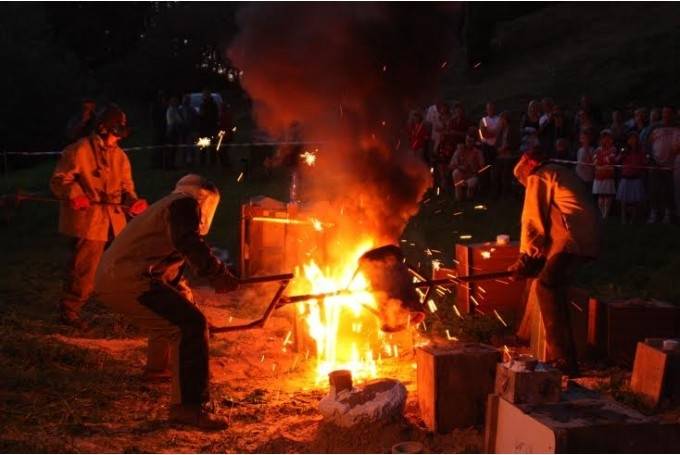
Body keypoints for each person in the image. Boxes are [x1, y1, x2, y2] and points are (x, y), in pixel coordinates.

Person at [95, 174, 239, 430]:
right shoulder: (185, 204)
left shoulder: (167, 208)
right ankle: (190, 408)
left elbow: (173, 275)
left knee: (179, 315)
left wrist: (191, 299)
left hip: (116, 275)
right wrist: (218, 274)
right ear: (206, 199)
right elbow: (190, 243)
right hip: (129, 278)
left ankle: (158, 370)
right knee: (190, 326)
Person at [50, 105, 148, 330]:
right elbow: (59, 180)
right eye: (116, 132)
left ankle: (122, 305)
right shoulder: (79, 150)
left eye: (120, 133)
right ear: (103, 129)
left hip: (115, 221)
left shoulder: (121, 157)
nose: (118, 138)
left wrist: (133, 202)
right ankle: (70, 310)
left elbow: (127, 189)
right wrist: (76, 194)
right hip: (90, 220)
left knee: (122, 265)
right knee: (85, 268)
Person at [509, 145, 601, 375]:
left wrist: (525, 257)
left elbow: (532, 221)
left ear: (528, 167)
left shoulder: (539, 176)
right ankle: (522, 335)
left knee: (547, 285)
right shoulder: (559, 173)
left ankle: (564, 361)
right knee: (537, 278)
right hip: (585, 235)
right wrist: (532, 261)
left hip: (574, 239)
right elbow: (554, 217)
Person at [646, 106, 679, 223]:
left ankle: (668, 213)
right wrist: (651, 159)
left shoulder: (676, 127)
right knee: (654, 189)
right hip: (655, 163)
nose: (666, 115)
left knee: (668, 190)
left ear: (673, 114)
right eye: (664, 112)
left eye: (669, 112)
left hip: (672, 165)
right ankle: (654, 213)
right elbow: (648, 144)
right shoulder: (655, 127)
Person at [616, 131, 647, 224]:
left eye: (634, 139)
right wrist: (622, 155)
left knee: (635, 200)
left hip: (636, 178)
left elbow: (644, 162)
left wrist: (646, 160)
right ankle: (623, 219)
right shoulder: (625, 150)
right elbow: (617, 160)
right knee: (623, 201)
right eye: (631, 139)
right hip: (626, 178)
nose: (632, 141)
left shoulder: (640, 152)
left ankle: (633, 220)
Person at [449, 129, 485, 201]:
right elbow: (451, 165)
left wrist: (475, 169)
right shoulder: (460, 150)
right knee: (455, 173)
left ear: (474, 142)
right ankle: (459, 196)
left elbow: (482, 166)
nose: (468, 143)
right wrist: (460, 167)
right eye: (467, 141)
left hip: (472, 175)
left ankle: (470, 196)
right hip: (461, 175)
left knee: (470, 192)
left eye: (471, 141)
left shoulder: (477, 152)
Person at [592, 129, 617, 219]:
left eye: (607, 137)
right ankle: (602, 214)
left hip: (608, 176)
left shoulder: (613, 149)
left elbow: (611, 161)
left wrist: (603, 163)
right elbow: (595, 162)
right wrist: (602, 164)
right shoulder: (597, 150)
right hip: (599, 176)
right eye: (603, 137)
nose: (605, 140)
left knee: (607, 196)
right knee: (601, 196)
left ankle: (605, 215)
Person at [479, 101, 502, 196]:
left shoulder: (499, 119)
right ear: (486, 110)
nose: (490, 110)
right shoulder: (484, 120)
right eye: (489, 108)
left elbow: (500, 132)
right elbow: (483, 134)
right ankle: (486, 190)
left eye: (492, 108)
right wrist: (493, 133)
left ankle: (496, 191)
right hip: (486, 147)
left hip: (496, 147)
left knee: (496, 170)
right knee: (486, 168)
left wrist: (491, 133)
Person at [495, 111, 517, 197]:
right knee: (496, 174)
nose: (500, 121)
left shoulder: (512, 130)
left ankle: (505, 193)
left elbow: (515, 143)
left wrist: (506, 147)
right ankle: (497, 192)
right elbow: (497, 143)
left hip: (510, 155)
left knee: (505, 174)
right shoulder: (501, 131)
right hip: (500, 156)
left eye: (501, 119)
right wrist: (498, 149)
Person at [198, 90, 219, 166]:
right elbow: (201, 116)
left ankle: (212, 162)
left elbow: (215, 116)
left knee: (212, 147)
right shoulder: (203, 105)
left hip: (211, 128)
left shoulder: (213, 105)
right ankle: (203, 162)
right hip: (204, 128)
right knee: (203, 146)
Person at [150, 90, 168, 169]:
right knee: (157, 147)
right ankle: (156, 163)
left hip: (163, 128)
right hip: (158, 128)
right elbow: (154, 117)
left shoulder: (164, 106)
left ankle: (162, 163)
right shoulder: (156, 106)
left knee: (163, 147)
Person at [165, 96, 183, 170]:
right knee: (172, 148)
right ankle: (170, 165)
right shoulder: (172, 110)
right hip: (172, 129)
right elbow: (178, 120)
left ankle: (171, 164)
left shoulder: (172, 109)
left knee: (173, 149)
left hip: (172, 129)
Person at [180, 94, 199, 166]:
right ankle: (184, 161)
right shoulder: (180, 109)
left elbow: (195, 119)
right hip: (183, 131)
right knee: (184, 146)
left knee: (191, 147)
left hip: (191, 130)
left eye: (187, 99)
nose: (185, 101)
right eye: (184, 99)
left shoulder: (192, 109)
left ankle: (191, 161)